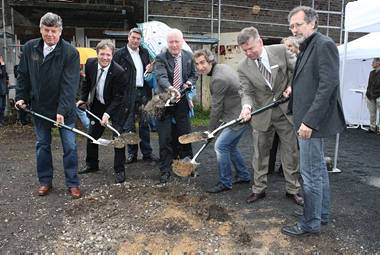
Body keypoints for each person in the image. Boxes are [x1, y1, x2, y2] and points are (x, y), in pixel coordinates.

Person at [282, 6, 346, 237]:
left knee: (310, 174)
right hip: (305, 119)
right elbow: (311, 80)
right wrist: (293, 88)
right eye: (291, 26)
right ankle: (322, 214)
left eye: (298, 24)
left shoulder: (323, 44)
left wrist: (309, 122)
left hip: (310, 123)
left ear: (312, 23)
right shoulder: (307, 46)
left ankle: (310, 222)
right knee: (318, 170)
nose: (294, 29)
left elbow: (328, 86)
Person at [14, 12, 81, 198]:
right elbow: (23, 76)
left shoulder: (70, 53)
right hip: (40, 107)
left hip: (64, 109)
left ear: (60, 32)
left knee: (70, 146)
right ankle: (45, 181)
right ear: (41, 30)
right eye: (46, 30)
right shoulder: (30, 48)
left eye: (53, 31)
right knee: (42, 145)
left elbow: (70, 86)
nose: (50, 34)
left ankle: (73, 183)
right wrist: (21, 96)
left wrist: (62, 110)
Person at [237, 26, 303, 206]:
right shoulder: (243, 67)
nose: (248, 53)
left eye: (251, 48)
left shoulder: (281, 51)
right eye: (244, 50)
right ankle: (258, 189)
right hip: (262, 115)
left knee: (291, 152)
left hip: (285, 113)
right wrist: (246, 108)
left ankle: (293, 190)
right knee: (260, 154)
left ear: (260, 42)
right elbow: (246, 91)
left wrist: (292, 86)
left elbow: (298, 70)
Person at [193, 49, 251, 193]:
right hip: (237, 111)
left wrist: (210, 131)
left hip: (239, 115)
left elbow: (216, 108)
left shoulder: (218, 79)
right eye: (197, 64)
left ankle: (225, 182)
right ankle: (243, 175)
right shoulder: (222, 67)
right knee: (230, 146)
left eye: (203, 62)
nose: (200, 67)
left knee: (221, 146)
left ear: (210, 60)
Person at [77, 39, 133, 184]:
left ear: (112, 55)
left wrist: (108, 114)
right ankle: (92, 164)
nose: (105, 58)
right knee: (92, 134)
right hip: (98, 104)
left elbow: (119, 97)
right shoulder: (90, 64)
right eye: (102, 54)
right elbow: (87, 83)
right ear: (97, 53)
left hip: (118, 107)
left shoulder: (119, 72)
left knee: (118, 138)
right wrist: (83, 99)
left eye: (108, 55)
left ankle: (119, 170)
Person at [154, 28, 198, 183]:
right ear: (167, 43)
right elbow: (161, 77)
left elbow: (194, 75)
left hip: (182, 101)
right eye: (171, 42)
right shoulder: (160, 58)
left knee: (185, 136)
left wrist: (189, 83)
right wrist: (171, 88)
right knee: (164, 138)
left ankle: (188, 167)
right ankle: (165, 170)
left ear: (182, 41)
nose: (173, 45)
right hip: (164, 102)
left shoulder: (189, 56)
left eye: (176, 41)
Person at [113, 27, 158, 164]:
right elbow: (115, 73)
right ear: (128, 37)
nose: (135, 40)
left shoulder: (144, 52)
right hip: (127, 93)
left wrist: (150, 69)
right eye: (133, 37)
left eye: (138, 38)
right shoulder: (120, 54)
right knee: (129, 124)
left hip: (143, 92)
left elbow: (147, 72)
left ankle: (147, 153)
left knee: (144, 124)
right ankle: (132, 154)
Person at [365, 58, 380, 134]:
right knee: (372, 113)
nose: (372, 63)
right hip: (370, 95)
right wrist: (368, 93)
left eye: (373, 62)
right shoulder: (371, 73)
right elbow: (369, 85)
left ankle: (378, 128)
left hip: (378, 95)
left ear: (378, 62)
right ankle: (372, 127)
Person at [0, 55, 9, 126]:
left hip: (3, 89)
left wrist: (7, 79)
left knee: (3, 106)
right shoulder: (2, 66)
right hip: (0, 90)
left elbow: (5, 75)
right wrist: (3, 64)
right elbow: (2, 74)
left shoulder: (2, 67)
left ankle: (2, 120)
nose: (1, 59)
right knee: (0, 106)